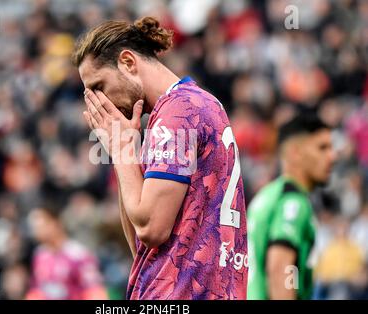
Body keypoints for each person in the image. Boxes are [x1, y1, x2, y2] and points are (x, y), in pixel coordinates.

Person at [72, 16, 248, 299]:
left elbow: (152, 228)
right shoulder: (194, 104)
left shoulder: (177, 112)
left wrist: (121, 151)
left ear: (128, 62)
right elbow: (142, 246)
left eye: (99, 87)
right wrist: (123, 154)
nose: (98, 102)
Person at [247, 113, 336, 300]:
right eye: (322, 148)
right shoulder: (293, 202)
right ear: (295, 153)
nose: (332, 156)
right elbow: (281, 270)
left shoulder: (268, 194)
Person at [26, 203, 108, 300]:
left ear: (56, 223)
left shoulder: (79, 255)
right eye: (34, 228)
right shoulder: (40, 255)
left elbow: (95, 292)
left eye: (41, 225)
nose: (37, 231)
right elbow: (36, 291)